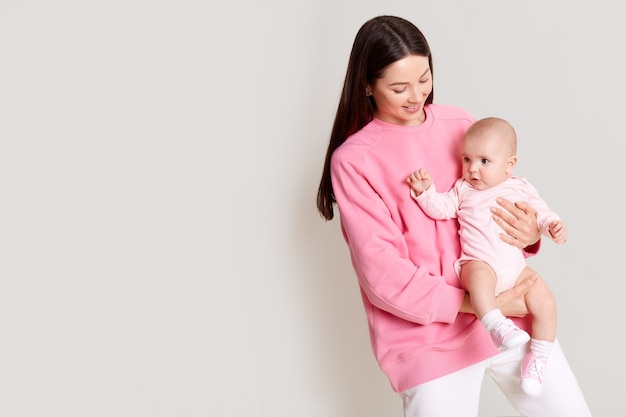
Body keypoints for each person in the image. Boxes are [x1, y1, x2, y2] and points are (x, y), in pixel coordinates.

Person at [316, 15, 591, 417]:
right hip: (430, 343)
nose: (417, 96)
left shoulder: (459, 123)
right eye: (399, 87)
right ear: (366, 85)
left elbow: (495, 203)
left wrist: (530, 230)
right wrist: (486, 304)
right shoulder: (355, 161)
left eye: (424, 78)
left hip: (509, 325)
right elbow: (383, 276)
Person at [406, 116, 567, 397]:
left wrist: (551, 225)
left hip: (516, 269)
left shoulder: (521, 187)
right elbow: (441, 208)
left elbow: (540, 213)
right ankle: (497, 325)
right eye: (467, 159)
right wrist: (425, 192)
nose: (472, 169)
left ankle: (538, 359)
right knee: (480, 281)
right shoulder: (463, 189)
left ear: (509, 165)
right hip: (478, 261)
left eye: (484, 161)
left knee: (547, 304)